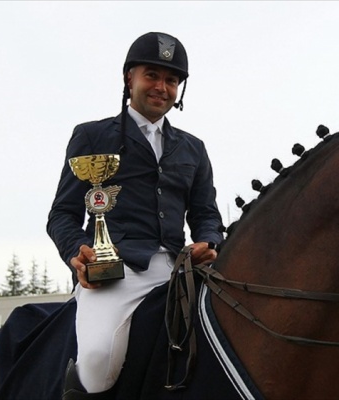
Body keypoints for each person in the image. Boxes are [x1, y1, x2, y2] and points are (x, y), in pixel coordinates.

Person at [47, 32, 223, 399]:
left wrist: (210, 242)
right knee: (96, 360)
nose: (162, 87)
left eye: (171, 80)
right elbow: (62, 213)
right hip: (115, 272)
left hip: (179, 272)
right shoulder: (92, 136)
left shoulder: (193, 147)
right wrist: (79, 252)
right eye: (152, 75)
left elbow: (207, 213)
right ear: (130, 79)